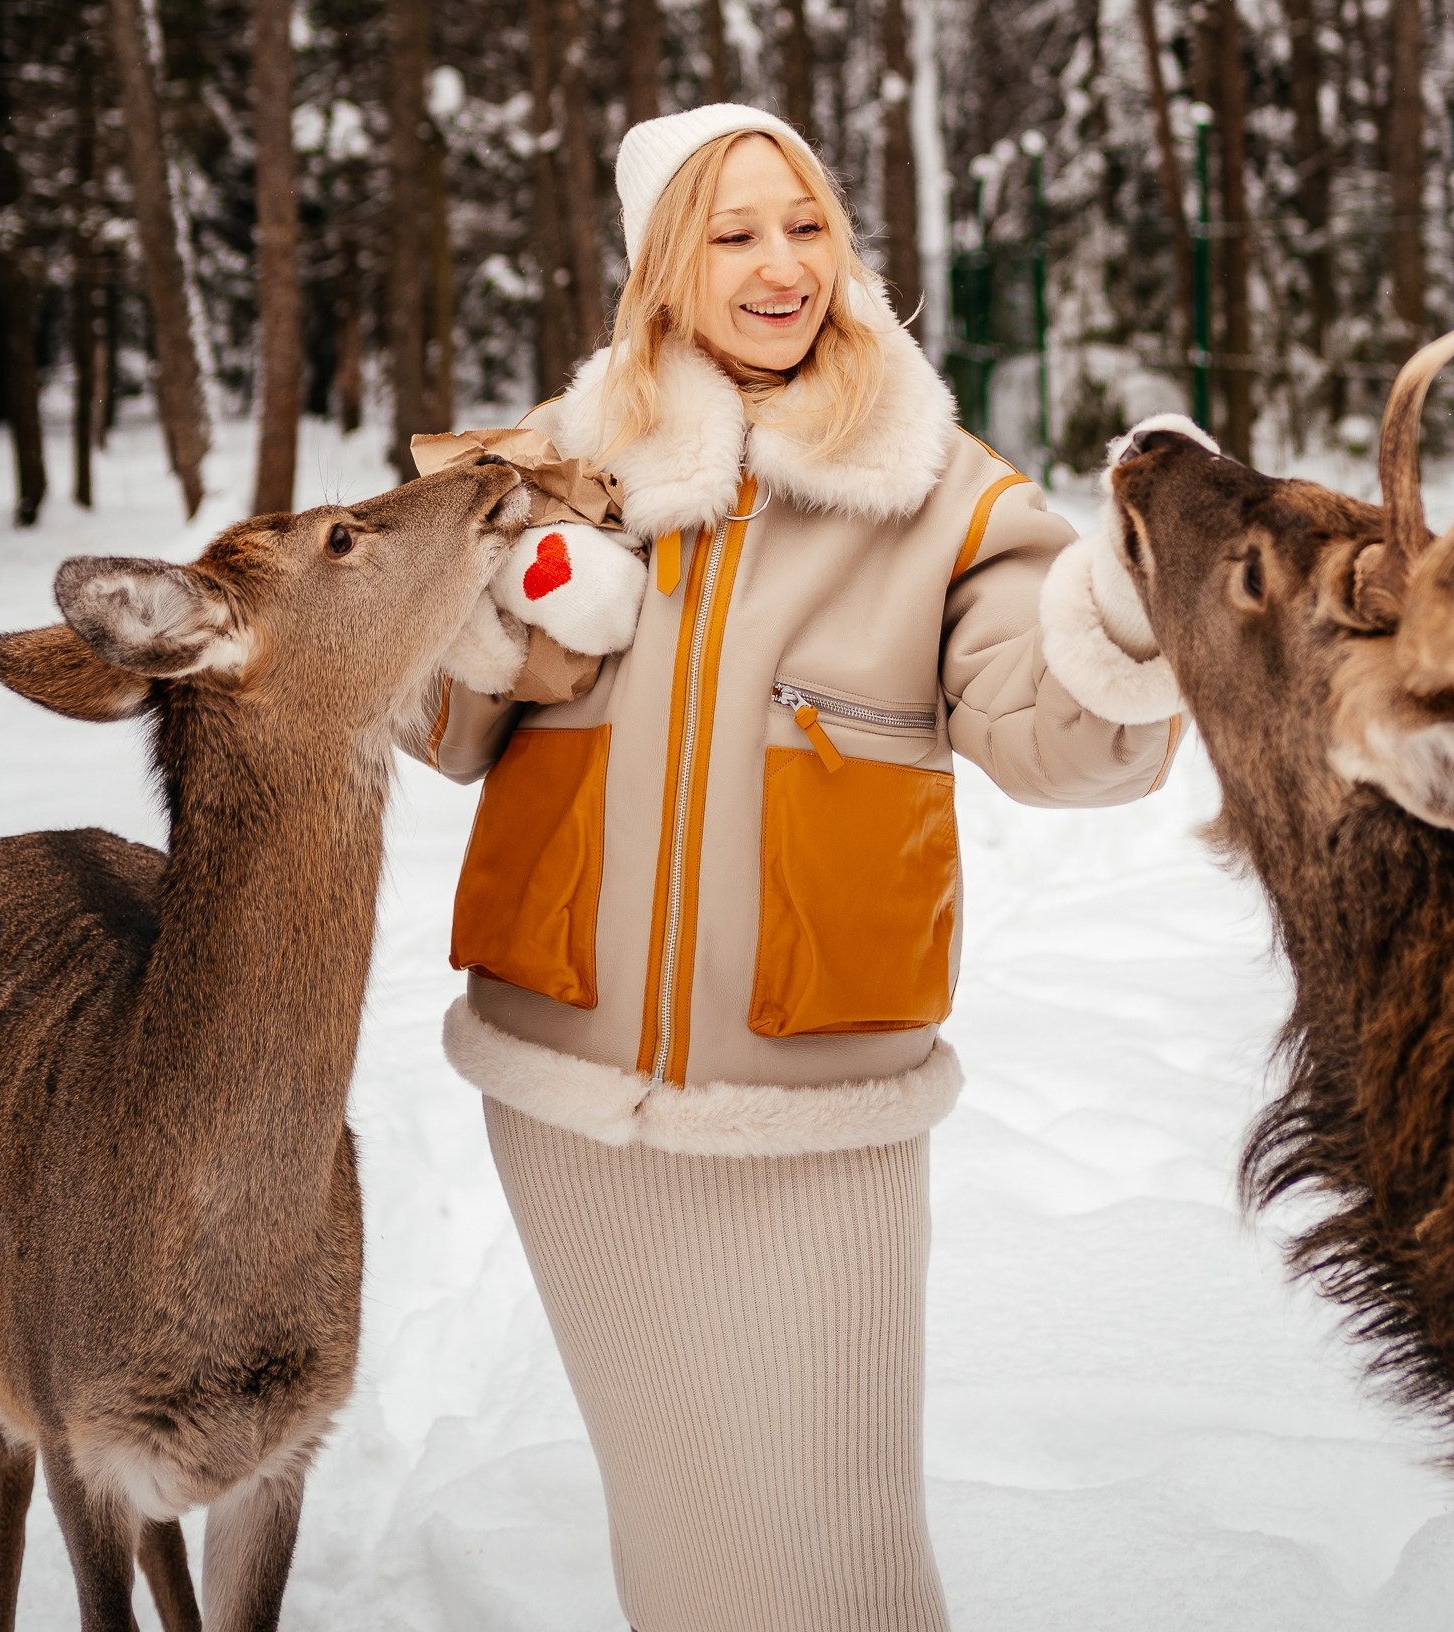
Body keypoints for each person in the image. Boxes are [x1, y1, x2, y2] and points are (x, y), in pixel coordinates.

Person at [405, 103, 1186, 1632]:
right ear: (659, 268)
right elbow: (440, 724)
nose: (783, 267)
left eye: (808, 224)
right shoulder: (553, 469)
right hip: (562, 1090)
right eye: (734, 231)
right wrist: (509, 615)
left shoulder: (941, 487)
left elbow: (1052, 730)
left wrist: (1140, 609)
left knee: (845, 1558)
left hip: (816, 1101)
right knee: (680, 1528)